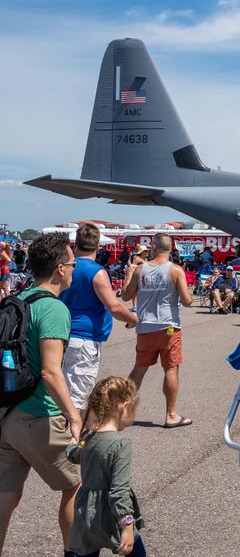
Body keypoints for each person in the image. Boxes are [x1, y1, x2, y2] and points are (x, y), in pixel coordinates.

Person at [0, 232, 81, 555]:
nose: (74, 268)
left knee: (6, 496)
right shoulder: (53, 309)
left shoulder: (18, 300)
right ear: (60, 269)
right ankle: (75, 552)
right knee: (77, 487)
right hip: (39, 417)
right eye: (72, 263)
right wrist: (73, 416)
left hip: (8, 414)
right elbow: (50, 370)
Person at [60, 224, 138, 411]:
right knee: (77, 398)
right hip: (85, 339)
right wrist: (133, 318)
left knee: (61, 390)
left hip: (62, 334)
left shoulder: (65, 268)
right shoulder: (97, 272)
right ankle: (72, 437)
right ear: (97, 246)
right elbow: (114, 306)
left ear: (75, 244)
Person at [66, 377, 145, 557]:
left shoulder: (88, 438)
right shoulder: (121, 444)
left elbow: (73, 454)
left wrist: (73, 439)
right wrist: (127, 525)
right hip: (112, 515)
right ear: (123, 407)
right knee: (136, 553)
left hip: (85, 511)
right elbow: (119, 491)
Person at [121, 233, 194, 428]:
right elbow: (187, 302)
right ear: (170, 249)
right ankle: (171, 414)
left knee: (139, 369)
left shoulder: (140, 270)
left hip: (145, 327)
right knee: (171, 368)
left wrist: (128, 276)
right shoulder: (175, 270)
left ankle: (122, 411)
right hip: (169, 327)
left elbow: (126, 296)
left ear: (153, 247)